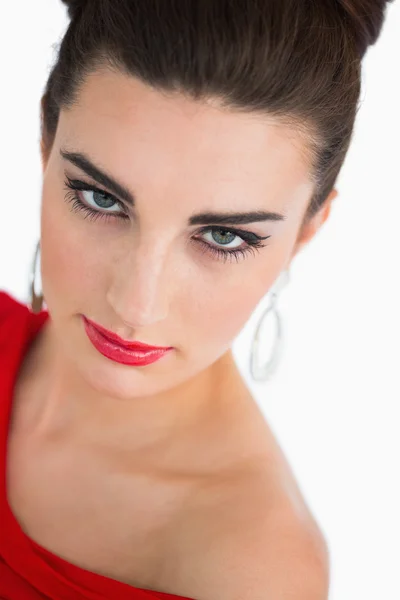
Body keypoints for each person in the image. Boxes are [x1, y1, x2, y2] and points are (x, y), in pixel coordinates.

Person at [0, 0, 393, 598]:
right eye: (102, 200)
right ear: (46, 142)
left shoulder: (249, 574)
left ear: (308, 230)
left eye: (223, 236)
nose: (137, 303)